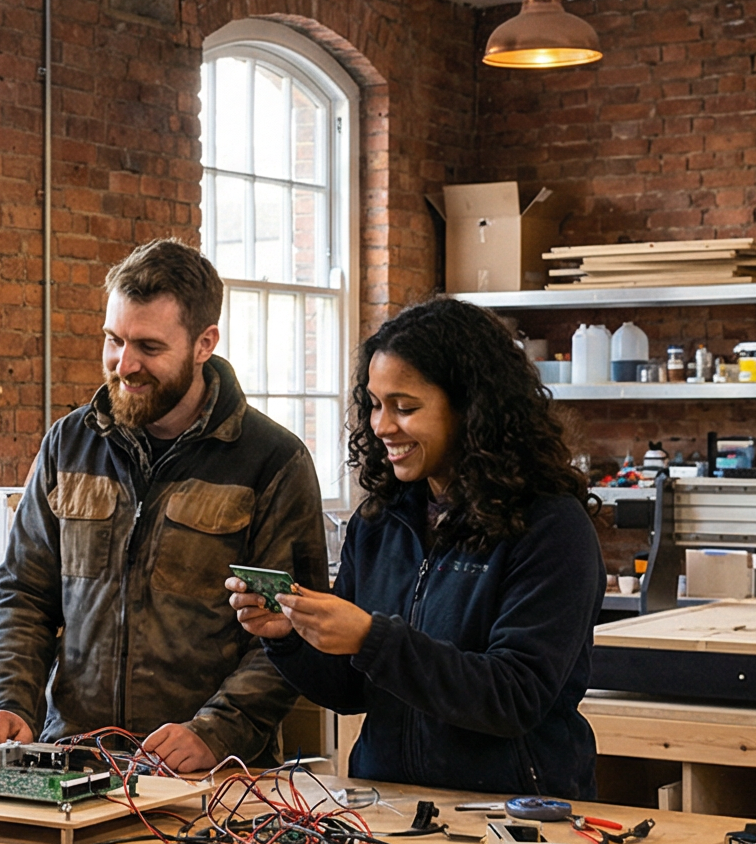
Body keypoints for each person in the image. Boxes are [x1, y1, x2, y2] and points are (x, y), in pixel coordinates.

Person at [0, 238, 331, 844]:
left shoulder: (270, 462)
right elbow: (24, 594)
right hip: (74, 779)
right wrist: (8, 702)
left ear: (204, 344)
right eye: (113, 341)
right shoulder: (69, 445)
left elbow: (290, 633)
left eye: (148, 348)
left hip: (213, 795)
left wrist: (215, 730)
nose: (123, 365)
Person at [229, 295, 603, 799]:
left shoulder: (550, 527)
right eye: (374, 405)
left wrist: (373, 639)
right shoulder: (380, 522)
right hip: (389, 806)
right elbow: (351, 691)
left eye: (404, 408)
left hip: (513, 814)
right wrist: (290, 639)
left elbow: (514, 697)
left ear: (471, 408)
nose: (382, 426)